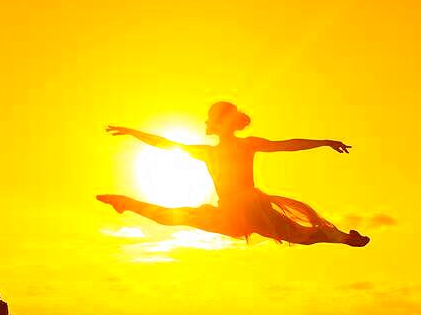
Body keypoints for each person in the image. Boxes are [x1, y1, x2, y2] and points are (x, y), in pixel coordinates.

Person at [97, 101, 369, 247]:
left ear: (219, 122)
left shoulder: (225, 149)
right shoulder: (215, 150)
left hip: (246, 207)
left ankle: (126, 203)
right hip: (234, 211)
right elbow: (165, 144)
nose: (205, 122)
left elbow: (288, 145)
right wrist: (135, 132)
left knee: (177, 217)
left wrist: (322, 142)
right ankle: (344, 238)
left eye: (208, 118)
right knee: (300, 235)